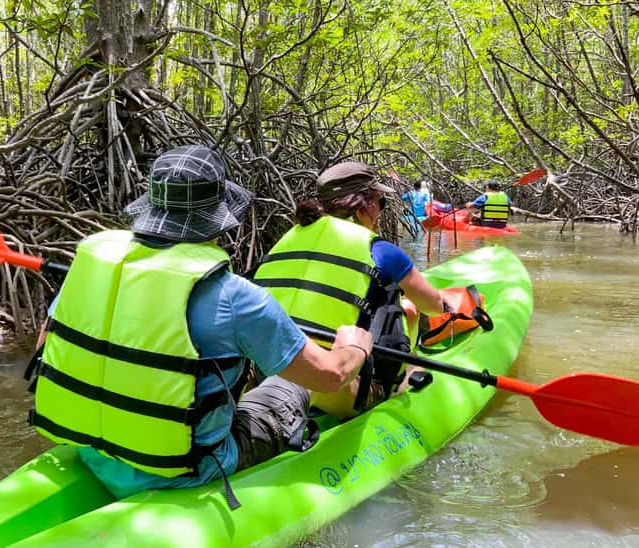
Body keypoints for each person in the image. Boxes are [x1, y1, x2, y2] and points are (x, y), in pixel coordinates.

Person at [28, 145, 373, 508]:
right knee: (289, 384)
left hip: (91, 450)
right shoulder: (237, 297)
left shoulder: (90, 272)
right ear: (217, 218)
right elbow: (329, 377)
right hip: (193, 468)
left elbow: (46, 351)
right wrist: (354, 347)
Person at [253, 161, 450, 418]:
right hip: (332, 387)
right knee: (410, 319)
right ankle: (398, 382)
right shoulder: (379, 250)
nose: (381, 211)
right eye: (381, 203)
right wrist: (449, 305)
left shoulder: (285, 240)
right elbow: (432, 306)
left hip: (264, 373)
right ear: (364, 206)